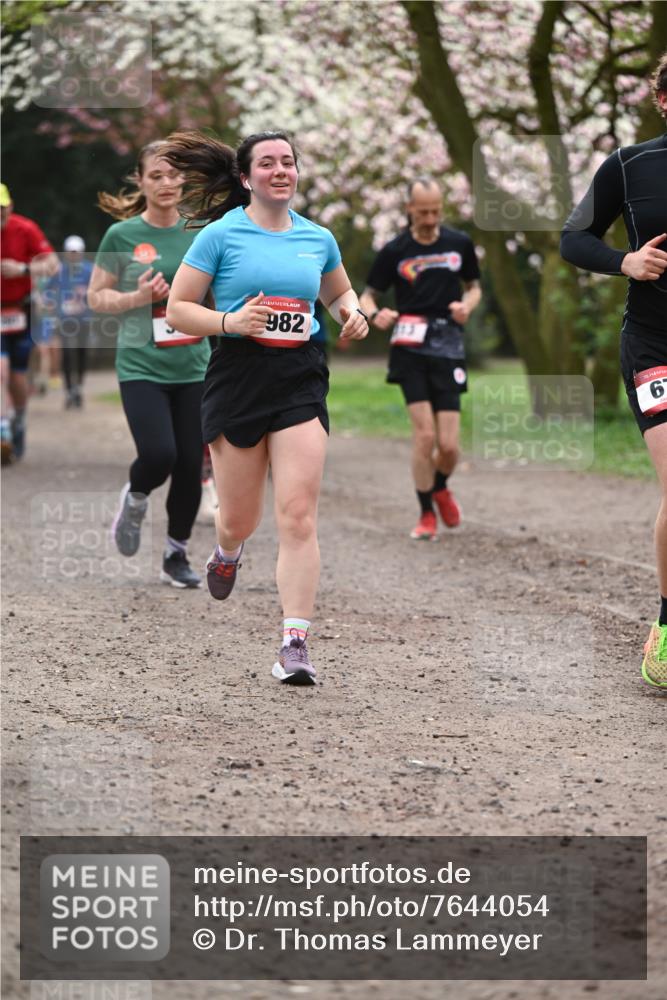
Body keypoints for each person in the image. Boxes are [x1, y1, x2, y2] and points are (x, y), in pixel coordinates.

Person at [164, 129, 368, 685]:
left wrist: (354, 313)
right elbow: (179, 309)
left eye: (289, 162)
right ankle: (226, 549)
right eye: (269, 163)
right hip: (237, 377)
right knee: (240, 517)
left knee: (298, 514)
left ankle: (294, 643)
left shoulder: (318, 238)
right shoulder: (220, 236)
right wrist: (230, 321)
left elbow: (338, 293)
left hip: (300, 379)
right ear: (246, 177)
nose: (281, 170)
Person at [561, 53, 667, 690]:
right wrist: (626, 263)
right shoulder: (631, 164)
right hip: (656, 342)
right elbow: (574, 238)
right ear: (662, 100)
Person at [87, 141, 211, 588]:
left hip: (194, 364)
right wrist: (138, 297)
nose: (166, 183)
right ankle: (136, 498)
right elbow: (96, 297)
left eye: (174, 174)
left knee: (190, 464)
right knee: (160, 453)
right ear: (140, 181)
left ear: (184, 180)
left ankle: (176, 555)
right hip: (141, 365)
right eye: (155, 175)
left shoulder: (200, 232)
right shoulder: (121, 236)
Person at [360, 178, 481, 541]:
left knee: (449, 446)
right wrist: (375, 313)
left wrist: (466, 306)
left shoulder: (459, 244)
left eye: (436, 211)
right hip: (409, 347)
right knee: (424, 435)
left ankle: (440, 486)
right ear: (410, 209)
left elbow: (474, 287)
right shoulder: (395, 250)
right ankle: (426, 512)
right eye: (423, 211)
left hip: (447, 345)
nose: (430, 218)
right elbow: (368, 296)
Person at [0, 182, 58, 463]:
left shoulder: (25, 229)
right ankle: (2, 428)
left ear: (10, 206)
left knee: (16, 376)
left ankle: (19, 419)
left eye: (1, 208)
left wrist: (22, 268)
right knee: (0, 369)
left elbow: (52, 264)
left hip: (20, 310)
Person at [42, 235, 94, 408]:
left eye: (76, 252)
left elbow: (98, 291)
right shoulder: (59, 270)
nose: (73, 255)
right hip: (64, 319)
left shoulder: (89, 270)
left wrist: (86, 294)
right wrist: (51, 305)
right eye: (71, 252)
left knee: (81, 353)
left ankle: (78, 387)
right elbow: (47, 292)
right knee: (65, 354)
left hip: (83, 318)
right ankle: (69, 389)